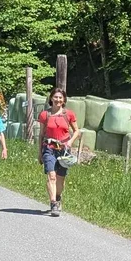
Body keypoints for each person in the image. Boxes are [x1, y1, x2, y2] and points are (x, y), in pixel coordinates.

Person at [36, 88, 77, 217]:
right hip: (49, 148)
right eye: (55, 97)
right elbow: (41, 134)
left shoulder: (69, 114)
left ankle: (58, 197)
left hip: (64, 149)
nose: (58, 100)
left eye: (60, 98)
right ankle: (53, 203)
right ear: (51, 99)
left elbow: (77, 131)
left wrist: (70, 142)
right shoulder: (44, 115)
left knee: (61, 178)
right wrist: (39, 152)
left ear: (64, 100)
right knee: (51, 176)